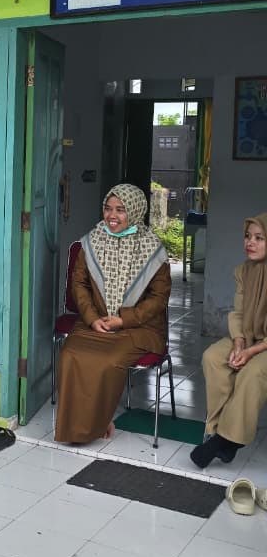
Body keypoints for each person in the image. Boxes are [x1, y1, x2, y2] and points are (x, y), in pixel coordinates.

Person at [54, 183, 171, 445]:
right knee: (71, 355)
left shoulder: (153, 249)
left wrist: (123, 319)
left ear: (135, 211)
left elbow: (158, 299)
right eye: (108, 208)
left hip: (138, 328)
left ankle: (96, 423)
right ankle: (75, 427)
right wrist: (92, 318)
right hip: (95, 321)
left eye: (120, 209)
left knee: (107, 360)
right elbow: (79, 285)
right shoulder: (92, 241)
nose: (112, 215)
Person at [191, 213, 267, 469]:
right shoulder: (243, 271)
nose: (250, 242)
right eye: (247, 236)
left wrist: (251, 352)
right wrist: (239, 343)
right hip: (249, 335)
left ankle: (226, 441)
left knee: (252, 372)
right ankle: (216, 431)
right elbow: (238, 312)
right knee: (213, 357)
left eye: (259, 238)